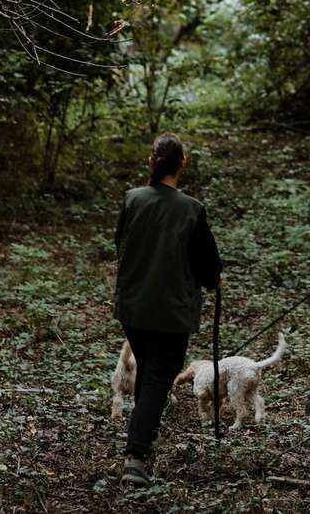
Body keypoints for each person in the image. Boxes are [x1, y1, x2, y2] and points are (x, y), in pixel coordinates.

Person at [114, 132, 222, 486]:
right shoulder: (191, 209)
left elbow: (121, 245)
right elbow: (209, 267)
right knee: (160, 375)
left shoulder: (133, 199)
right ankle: (136, 453)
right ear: (183, 164)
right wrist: (213, 280)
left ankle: (146, 431)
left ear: (152, 161)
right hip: (171, 312)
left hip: (133, 305)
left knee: (150, 368)